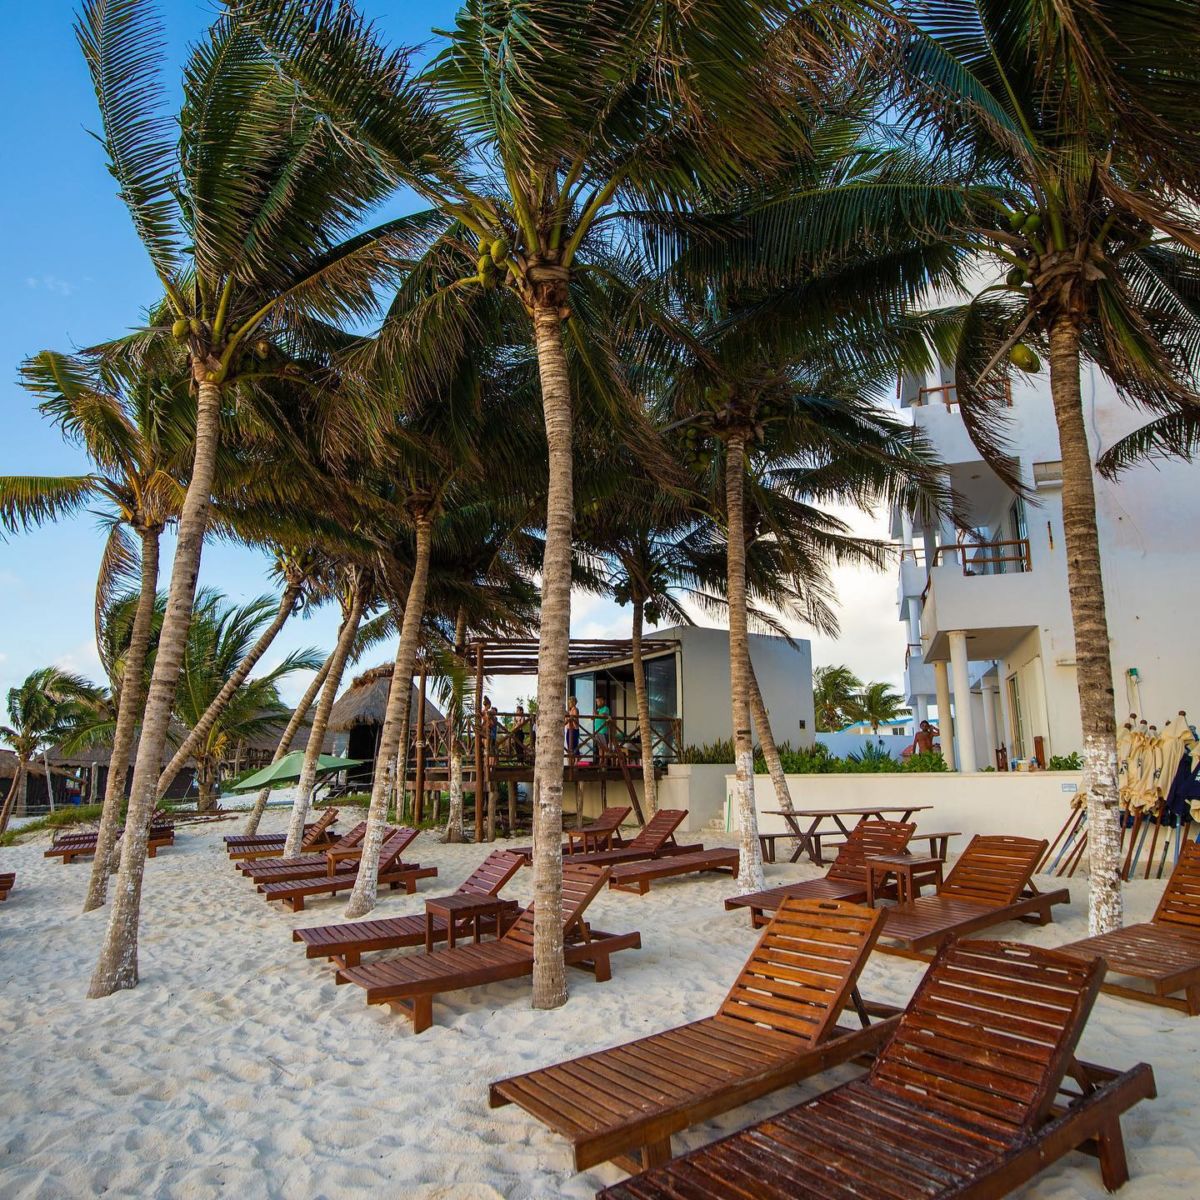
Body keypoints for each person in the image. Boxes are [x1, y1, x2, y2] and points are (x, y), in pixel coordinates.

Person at [564, 697, 580, 762]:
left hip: (574, 730)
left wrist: (568, 716)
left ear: (573, 702)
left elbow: (574, 720)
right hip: (569, 730)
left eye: (570, 702)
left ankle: (576, 761)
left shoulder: (575, 710)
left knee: (574, 745)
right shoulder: (570, 711)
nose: (569, 704)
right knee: (569, 746)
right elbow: (567, 721)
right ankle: (572, 762)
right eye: (569, 702)